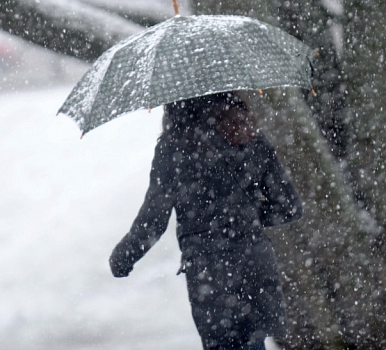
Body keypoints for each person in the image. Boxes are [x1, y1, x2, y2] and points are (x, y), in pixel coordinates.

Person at [109, 91, 303, 350]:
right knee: (253, 342)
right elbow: (290, 206)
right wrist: (247, 218)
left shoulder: (174, 146)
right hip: (253, 262)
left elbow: (154, 219)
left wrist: (123, 257)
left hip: (210, 271)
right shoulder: (247, 134)